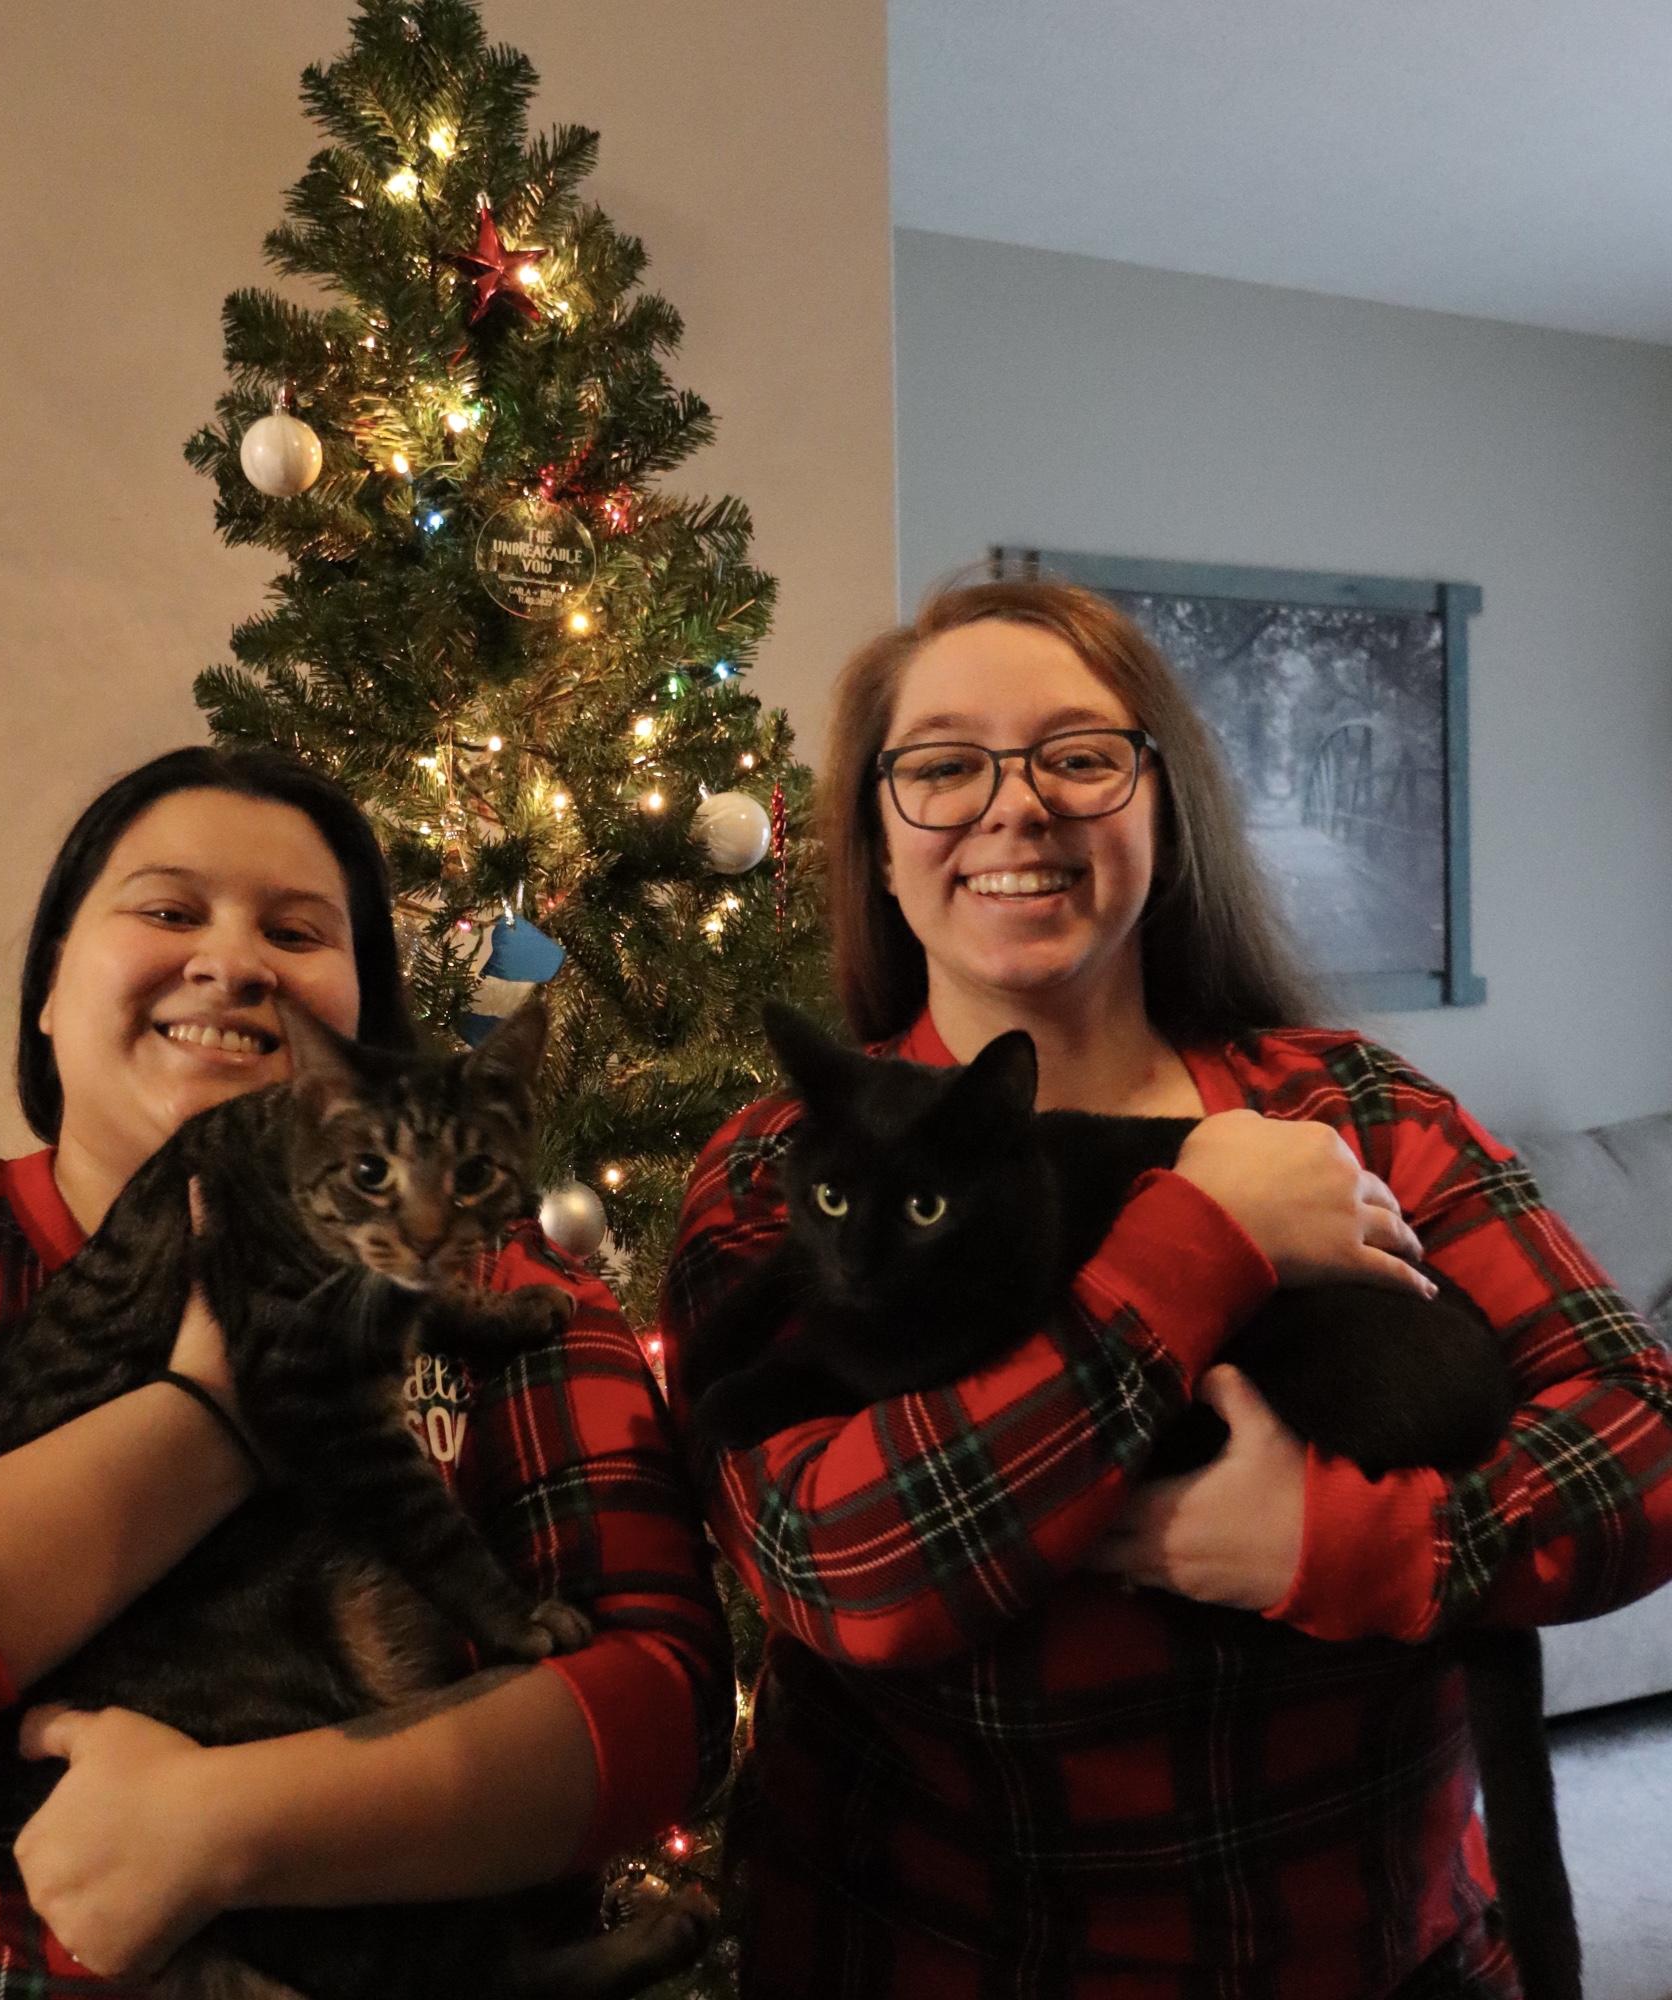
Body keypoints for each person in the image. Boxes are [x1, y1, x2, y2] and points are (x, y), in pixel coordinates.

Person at [657, 579, 1672, 1999]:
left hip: (1383, 1961)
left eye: (1077, 756)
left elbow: (1643, 1433)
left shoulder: (1355, 1106)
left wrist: (1356, 1546)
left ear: (1163, 808)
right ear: (877, 845)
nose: (1016, 808)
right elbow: (847, 1564)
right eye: (943, 767)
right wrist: (1203, 1236)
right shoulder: (783, 1160)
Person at [0, 744, 730, 1994]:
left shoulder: (515, 1295)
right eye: (169, 911)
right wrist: (211, 1418)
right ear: (49, 989)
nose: (232, 963)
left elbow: (664, 1709)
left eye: (297, 930)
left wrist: (226, 1824)